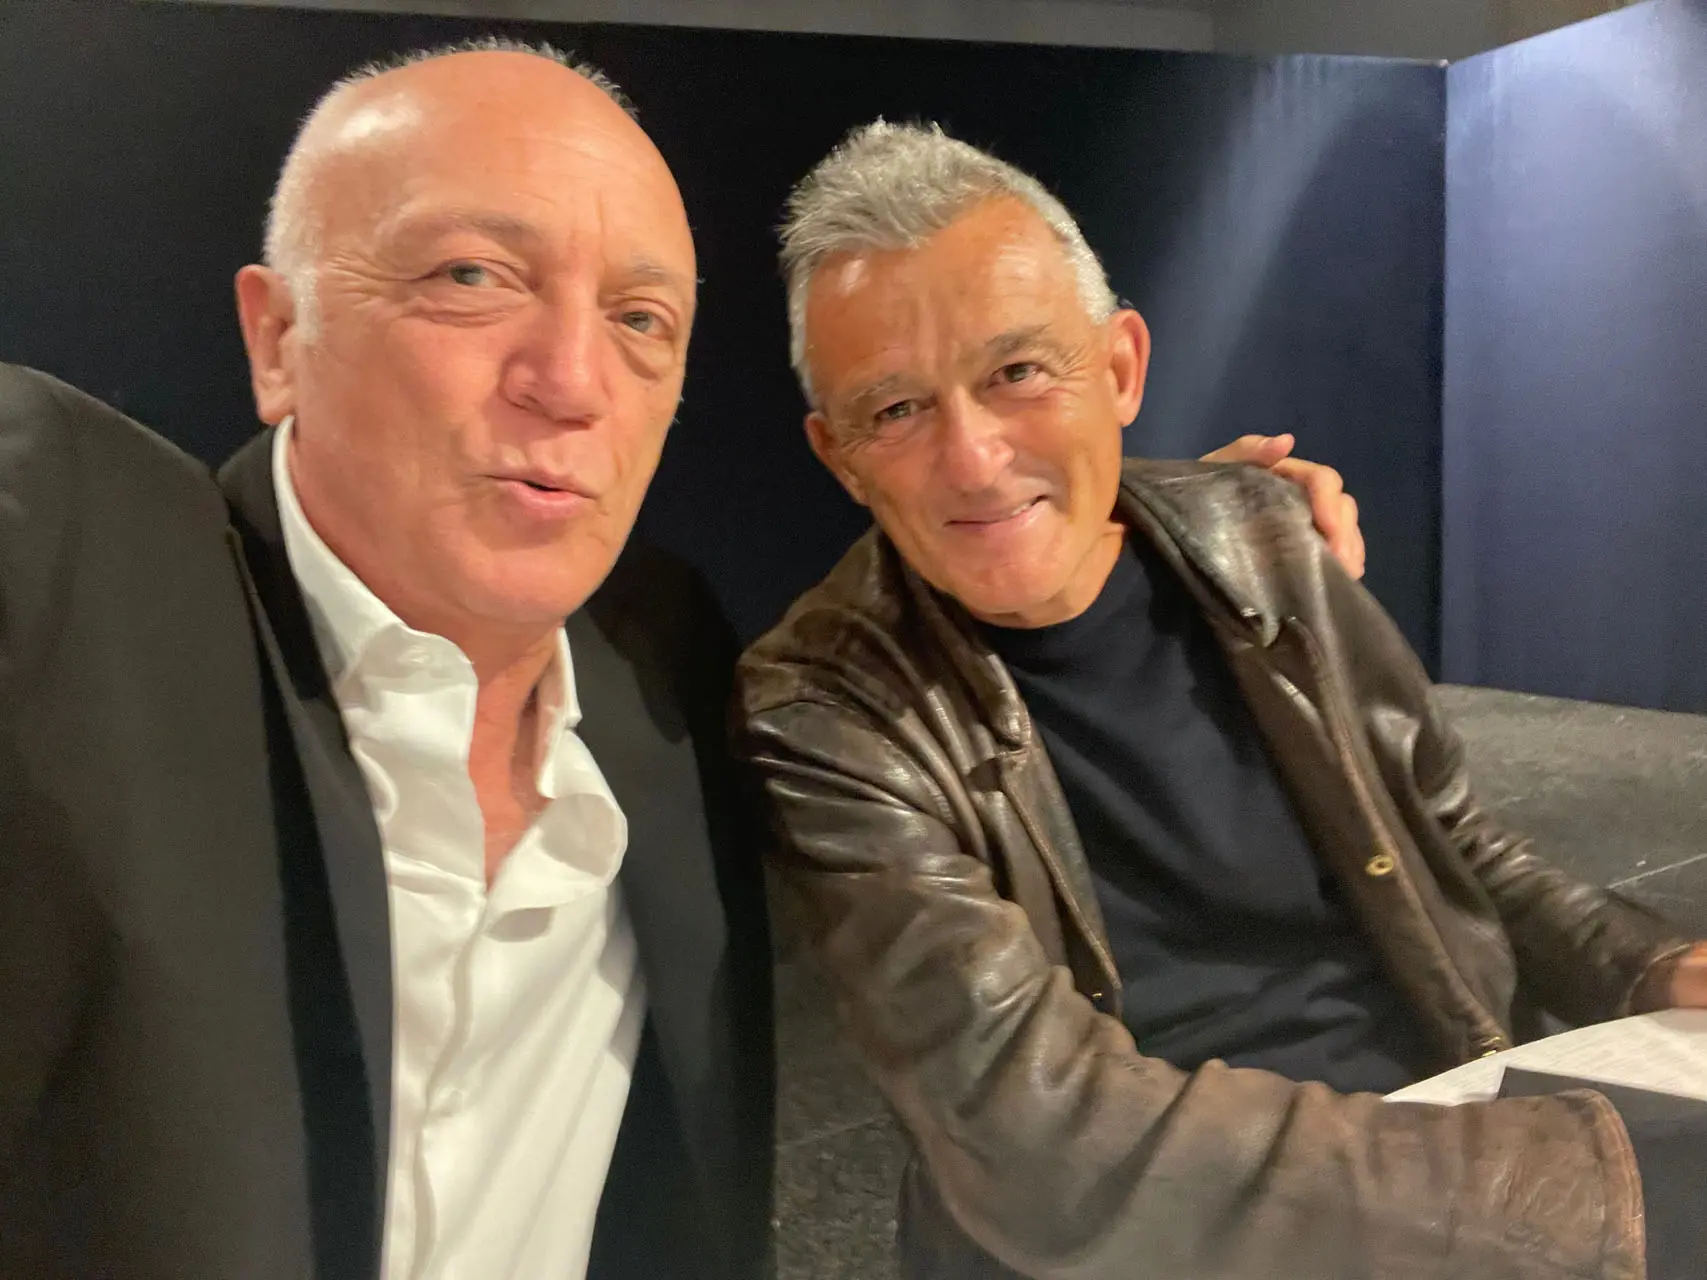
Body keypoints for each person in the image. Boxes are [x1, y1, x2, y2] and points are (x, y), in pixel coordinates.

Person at [0, 42, 1362, 1280]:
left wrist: (1178, 534)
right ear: (278, 338)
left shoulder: (661, 664)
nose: (570, 378)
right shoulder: (75, 577)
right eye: (471, 278)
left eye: (641, 319)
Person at [734, 120, 1707, 1280]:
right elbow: (1043, 1140)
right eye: (895, 410)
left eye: (1017, 371)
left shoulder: (1262, 534)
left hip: (1449, 1131)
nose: (974, 457)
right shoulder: (822, 707)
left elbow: (1452, 841)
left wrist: (1652, 966)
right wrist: (1576, 1182)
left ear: (1121, 367)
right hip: (1148, 1235)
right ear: (839, 455)